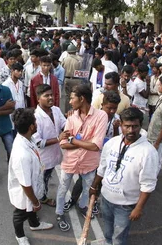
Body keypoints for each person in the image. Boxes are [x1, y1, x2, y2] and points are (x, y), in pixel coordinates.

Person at [90, 107, 158, 245]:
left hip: (125, 206)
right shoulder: (112, 143)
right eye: (127, 126)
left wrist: (138, 208)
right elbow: (102, 168)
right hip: (106, 199)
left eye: (135, 126)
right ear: (120, 125)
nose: (131, 131)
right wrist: (94, 186)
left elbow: (148, 185)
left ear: (141, 126)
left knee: (119, 238)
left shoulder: (148, 152)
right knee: (108, 231)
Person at [55, 84, 108, 232]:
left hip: (89, 163)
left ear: (82, 99)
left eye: (72, 98)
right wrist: (85, 142)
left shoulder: (101, 116)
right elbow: (63, 143)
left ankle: (83, 206)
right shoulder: (72, 117)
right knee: (62, 189)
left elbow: (96, 146)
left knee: (87, 189)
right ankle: (59, 213)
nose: (70, 101)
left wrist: (74, 140)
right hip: (70, 161)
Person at [8, 108, 54, 245]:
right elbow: (25, 184)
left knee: (31, 209)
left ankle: (34, 224)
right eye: (35, 121)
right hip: (24, 192)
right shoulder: (21, 154)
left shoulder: (28, 138)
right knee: (20, 214)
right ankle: (20, 236)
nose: (37, 123)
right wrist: (35, 201)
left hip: (32, 186)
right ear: (31, 127)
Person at [32, 84, 67, 206]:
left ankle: (41, 197)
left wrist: (73, 120)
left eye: (51, 95)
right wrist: (58, 138)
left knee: (46, 178)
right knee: (41, 180)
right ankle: (41, 200)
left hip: (54, 154)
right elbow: (39, 142)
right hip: (43, 158)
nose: (51, 97)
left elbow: (64, 124)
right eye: (46, 95)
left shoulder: (56, 110)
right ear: (38, 99)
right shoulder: (36, 117)